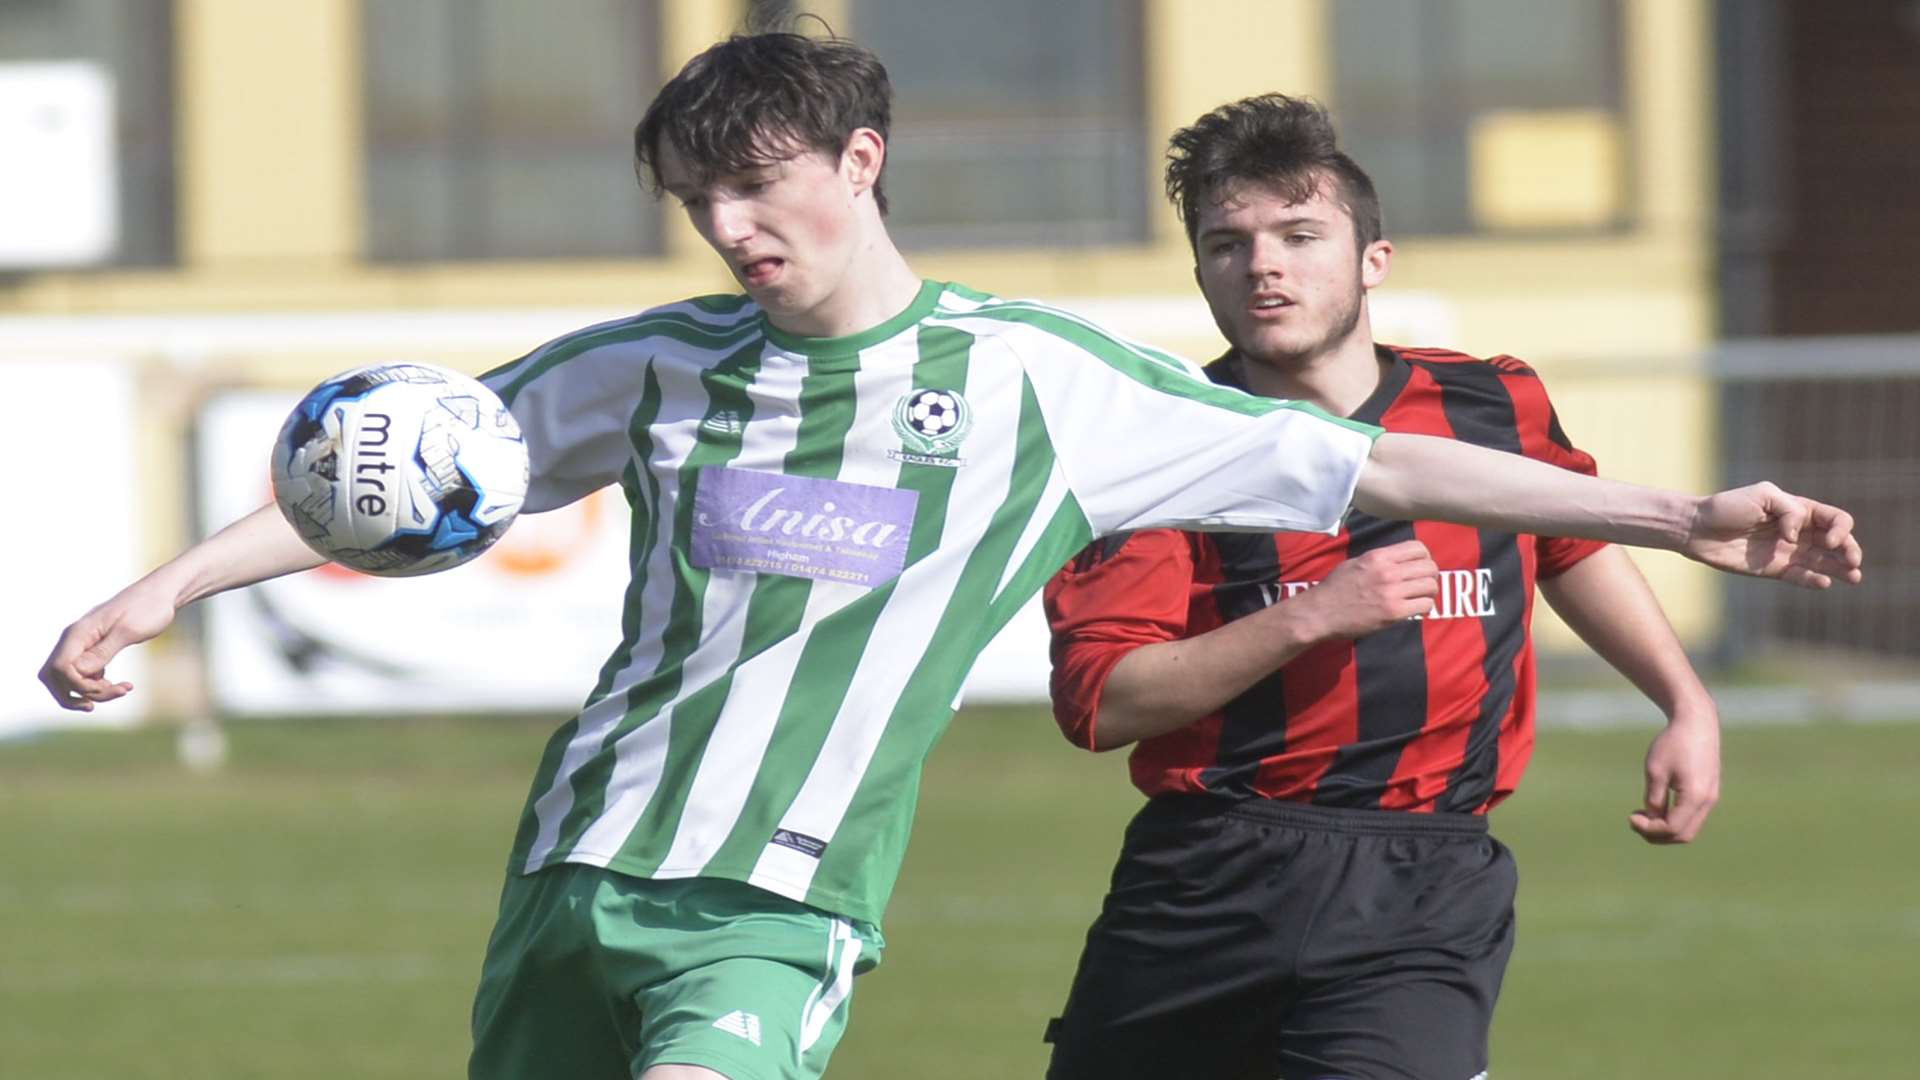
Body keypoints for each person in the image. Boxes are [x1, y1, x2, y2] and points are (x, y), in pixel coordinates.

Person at [39, 27, 1859, 1080]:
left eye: (769, 183)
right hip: (572, 873)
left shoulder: (1035, 385)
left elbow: (1380, 461)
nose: (741, 227)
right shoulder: (655, 364)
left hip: (771, 907)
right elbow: (396, 477)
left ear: (864, 159)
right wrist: (158, 590)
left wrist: (1686, 515)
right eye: (707, 201)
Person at [1040, 93, 1745, 1080]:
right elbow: (1105, 702)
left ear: (1375, 259)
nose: (1264, 265)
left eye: (1298, 234)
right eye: (1227, 243)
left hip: (1426, 874)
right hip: (1210, 879)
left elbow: (1569, 543)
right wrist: (1312, 620)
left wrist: (1685, 700)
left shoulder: (1495, 403)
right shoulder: (1164, 452)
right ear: (1200, 269)